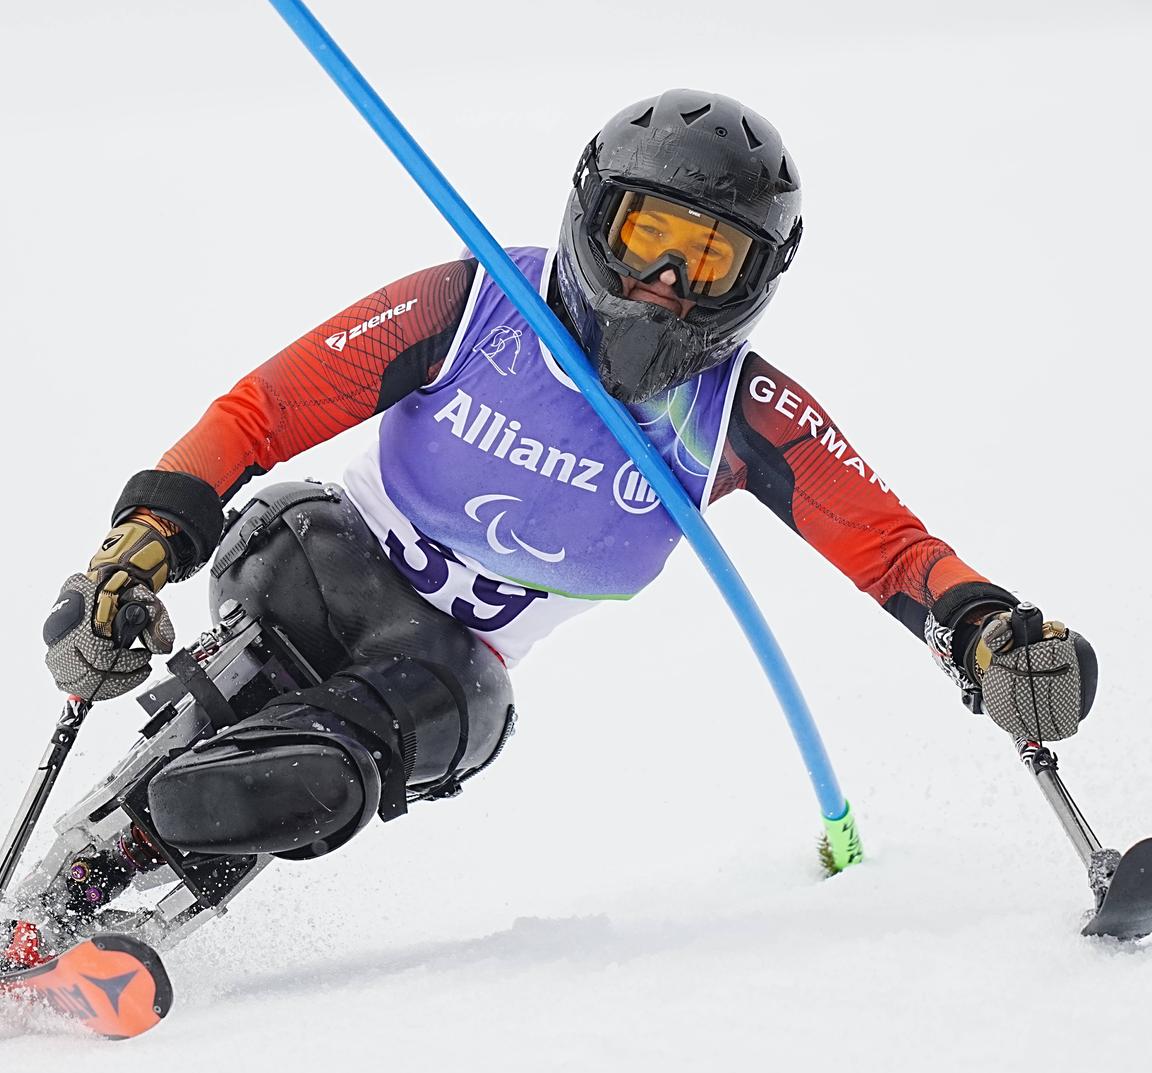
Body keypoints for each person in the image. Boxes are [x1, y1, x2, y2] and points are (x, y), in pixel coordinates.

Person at [8, 89, 1097, 968]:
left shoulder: (737, 417)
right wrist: (146, 537)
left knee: (380, 742)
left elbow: (892, 548)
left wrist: (987, 630)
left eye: (708, 261)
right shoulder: (475, 305)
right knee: (256, 691)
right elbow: (263, 410)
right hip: (315, 563)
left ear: (758, 280)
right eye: (648, 240)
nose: (665, 285)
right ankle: (77, 876)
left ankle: (150, 881)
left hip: (444, 670)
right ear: (594, 217)